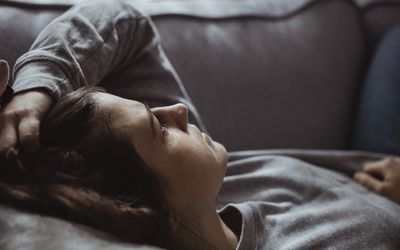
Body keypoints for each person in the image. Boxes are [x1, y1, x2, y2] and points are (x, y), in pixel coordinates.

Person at [0, 1, 399, 249]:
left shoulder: (207, 188)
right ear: (139, 208)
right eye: (158, 129)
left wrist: (37, 89)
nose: (176, 110)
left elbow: (124, 20)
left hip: (370, 160)